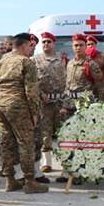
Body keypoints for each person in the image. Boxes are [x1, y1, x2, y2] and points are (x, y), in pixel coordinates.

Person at [0, 33, 47, 193]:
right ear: (23, 45)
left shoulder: (2, 61)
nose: (31, 49)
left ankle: (10, 180)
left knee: (6, 143)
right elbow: (31, 90)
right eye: (30, 46)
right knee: (26, 143)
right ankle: (30, 181)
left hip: (0, 105)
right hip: (18, 106)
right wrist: (35, 112)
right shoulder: (26, 62)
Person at [33, 32, 66, 172]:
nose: (46, 44)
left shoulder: (62, 59)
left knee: (63, 132)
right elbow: (32, 81)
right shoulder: (35, 60)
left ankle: (65, 162)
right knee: (44, 133)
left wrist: (66, 101)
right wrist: (40, 94)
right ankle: (46, 162)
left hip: (60, 102)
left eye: (49, 42)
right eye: (44, 42)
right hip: (44, 103)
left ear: (54, 44)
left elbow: (68, 79)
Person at [65, 34, 104, 105]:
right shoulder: (70, 63)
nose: (78, 47)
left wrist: (101, 103)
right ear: (72, 47)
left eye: (81, 45)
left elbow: (100, 85)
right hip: (70, 102)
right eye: (76, 45)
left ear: (86, 46)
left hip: (85, 103)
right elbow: (67, 84)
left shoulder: (91, 64)